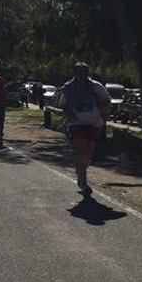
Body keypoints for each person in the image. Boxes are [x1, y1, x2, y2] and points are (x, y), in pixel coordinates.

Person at [56, 62, 110, 197]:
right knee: (80, 151)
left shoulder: (96, 86)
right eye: (78, 73)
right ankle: (82, 181)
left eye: (84, 73)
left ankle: (81, 171)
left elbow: (107, 100)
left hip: (94, 124)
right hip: (77, 124)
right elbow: (63, 104)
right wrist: (69, 115)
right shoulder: (68, 87)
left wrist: (100, 111)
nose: (81, 76)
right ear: (74, 73)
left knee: (88, 155)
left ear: (88, 73)